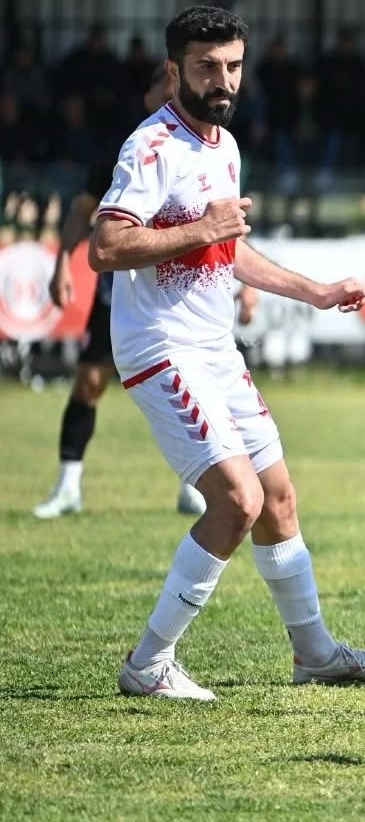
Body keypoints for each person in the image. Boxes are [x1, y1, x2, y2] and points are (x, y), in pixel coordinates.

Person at [89, 6, 365, 700]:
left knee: (279, 498)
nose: (224, 80)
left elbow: (228, 247)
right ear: (174, 69)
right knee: (238, 500)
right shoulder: (152, 147)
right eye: (207, 67)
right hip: (161, 347)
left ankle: (314, 654)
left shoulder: (224, 147)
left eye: (233, 65)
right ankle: (148, 663)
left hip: (215, 348)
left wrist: (316, 292)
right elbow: (106, 247)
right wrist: (201, 228)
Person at [34, 63, 256, 520]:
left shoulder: (211, 146)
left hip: (186, 297)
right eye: (167, 85)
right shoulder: (130, 146)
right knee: (90, 381)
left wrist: (247, 285)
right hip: (122, 292)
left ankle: (195, 488)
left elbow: (225, 227)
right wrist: (61, 264)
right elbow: (84, 212)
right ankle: (68, 486)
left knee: (198, 388)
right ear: (155, 90)